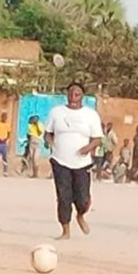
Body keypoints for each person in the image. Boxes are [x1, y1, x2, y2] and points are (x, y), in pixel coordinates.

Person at [45, 82, 104, 240]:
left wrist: (88, 147)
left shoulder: (90, 115)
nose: (73, 97)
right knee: (64, 196)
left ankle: (81, 215)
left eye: (77, 94)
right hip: (60, 160)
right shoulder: (56, 112)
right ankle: (65, 230)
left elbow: (97, 139)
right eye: (70, 93)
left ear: (82, 96)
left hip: (82, 163)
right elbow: (48, 133)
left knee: (83, 198)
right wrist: (51, 143)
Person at [26, 114, 44, 178]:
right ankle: (34, 173)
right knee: (32, 158)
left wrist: (37, 124)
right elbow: (29, 133)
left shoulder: (40, 124)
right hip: (31, 141)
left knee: (35, 159)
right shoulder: (31, 126)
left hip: (37, 142)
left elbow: (40, 132)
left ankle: (37, 173)